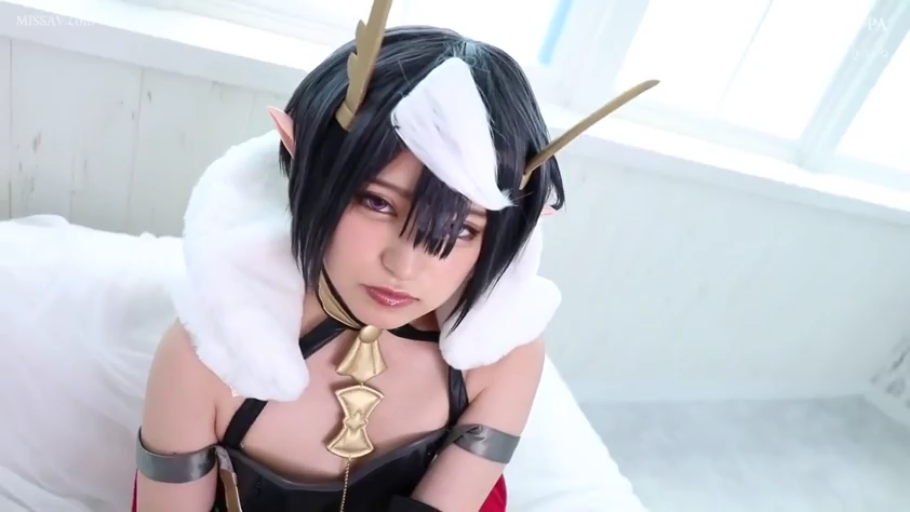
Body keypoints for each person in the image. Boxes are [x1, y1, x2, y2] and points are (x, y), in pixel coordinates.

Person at [132, 0, 658, 510]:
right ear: (305, 167)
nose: (405, 267)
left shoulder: (502, 355)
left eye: (462, 228)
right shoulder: (206, 357)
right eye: (378, 203)